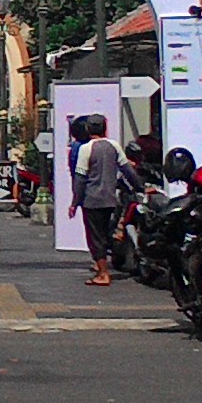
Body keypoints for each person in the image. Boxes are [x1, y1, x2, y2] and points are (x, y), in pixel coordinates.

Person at [70, 114, 123, 285]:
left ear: (88, 129)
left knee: (95, 237)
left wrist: (75, 202)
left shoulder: (86, 149)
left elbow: (80, 179)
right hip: (110, 198)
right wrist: (142, 188)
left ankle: (103, 273)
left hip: (92, 200)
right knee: (106, 234)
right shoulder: (114, 146)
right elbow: (127, 169)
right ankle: (104, 267)